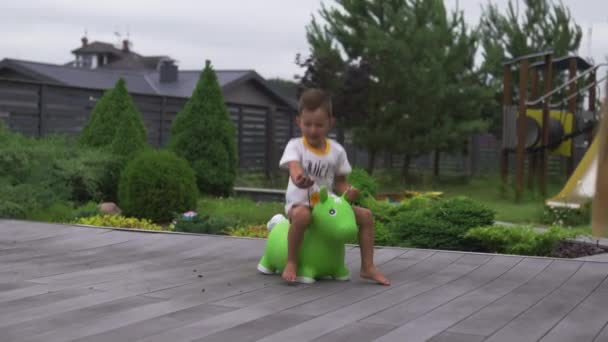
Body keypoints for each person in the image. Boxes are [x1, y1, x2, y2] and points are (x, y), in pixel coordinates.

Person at [278, 88, 390, 286]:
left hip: (328, 207)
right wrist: (299, 179)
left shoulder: (337, 151)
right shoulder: (295, 146)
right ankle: (292, 261)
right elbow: (294, 169)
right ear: (299, 122)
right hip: (300, 204)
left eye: (319, 125)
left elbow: (340, 183)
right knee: (304, 216)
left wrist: (349, 191)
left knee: (365, 216)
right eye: (307, 124)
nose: (313, 130)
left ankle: (367, 266)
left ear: (331, 123)